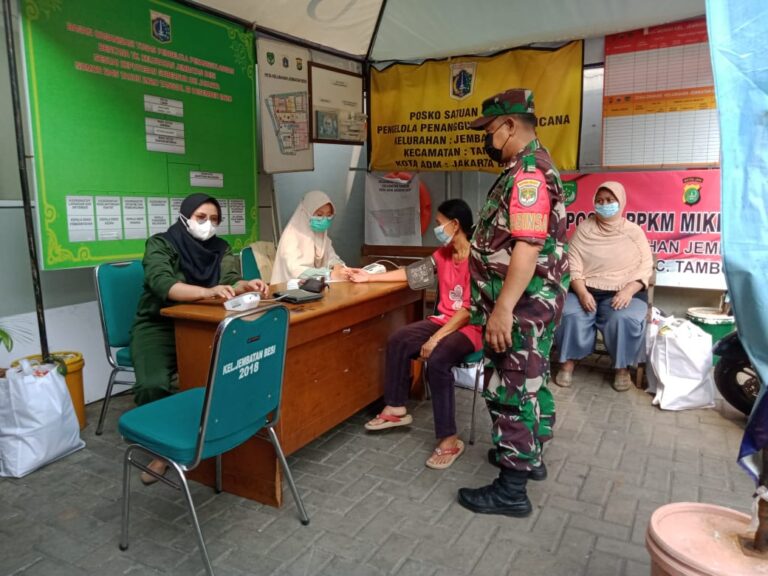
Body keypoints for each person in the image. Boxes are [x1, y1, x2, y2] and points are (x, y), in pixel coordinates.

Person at [458, 89, 570, 517]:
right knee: (530, 382)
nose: (486, 138)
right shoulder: (527, 168)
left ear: (509, 126)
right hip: (533, 304)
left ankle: (511, 489)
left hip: (520, 308)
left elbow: (525, 247)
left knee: (511, 390)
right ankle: (530, 458)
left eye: (489, 130)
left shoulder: (527, 175)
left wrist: (502, 309)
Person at [130, 193, 268, 484]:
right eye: (201, 217)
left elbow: (229, 280)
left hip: (203, 324)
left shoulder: (220, 247)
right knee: (151, 384)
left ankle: (212, 433)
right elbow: (162, 284)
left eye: (214, 219)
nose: (208, 224)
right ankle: (160, 451)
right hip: (159, 324)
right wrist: (207, 291)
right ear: (185, 216)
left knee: (220, 375)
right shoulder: (161, 243)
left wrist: (244, 285)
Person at [348, 199, 482, 470]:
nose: (436, 229)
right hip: (443, 321)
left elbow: (468, 310)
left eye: (438, 223)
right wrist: (367, 277)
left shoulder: (478, 260)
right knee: (399, 340)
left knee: (438, 359)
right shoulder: (442, 255)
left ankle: (449, 439)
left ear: (455, 225)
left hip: (470, 327)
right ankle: (396, 408)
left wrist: (435, 338)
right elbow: (410, 275)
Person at [555, 181, 653, 392]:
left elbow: (646, 265)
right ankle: (568, 362)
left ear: (621, 201)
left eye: (610, 200)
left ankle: (622, 368)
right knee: (569, 314)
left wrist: (628, 290)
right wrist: (581, 292)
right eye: (600, 201)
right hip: (584, 290)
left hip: (624, 293)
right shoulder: (584, 228)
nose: (604, 204)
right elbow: (573, 262)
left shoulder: (633, 232)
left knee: (623, 319)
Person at [271, 190, 346, 284]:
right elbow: (296, 270)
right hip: (288, 291)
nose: (325, 219)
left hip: (314, 288)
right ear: (306, 213)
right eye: (319, 215)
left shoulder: (322, 236)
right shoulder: (291, 237)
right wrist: (329, 274)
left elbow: (332, 257)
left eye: (328, 215)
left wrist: (338, 267)